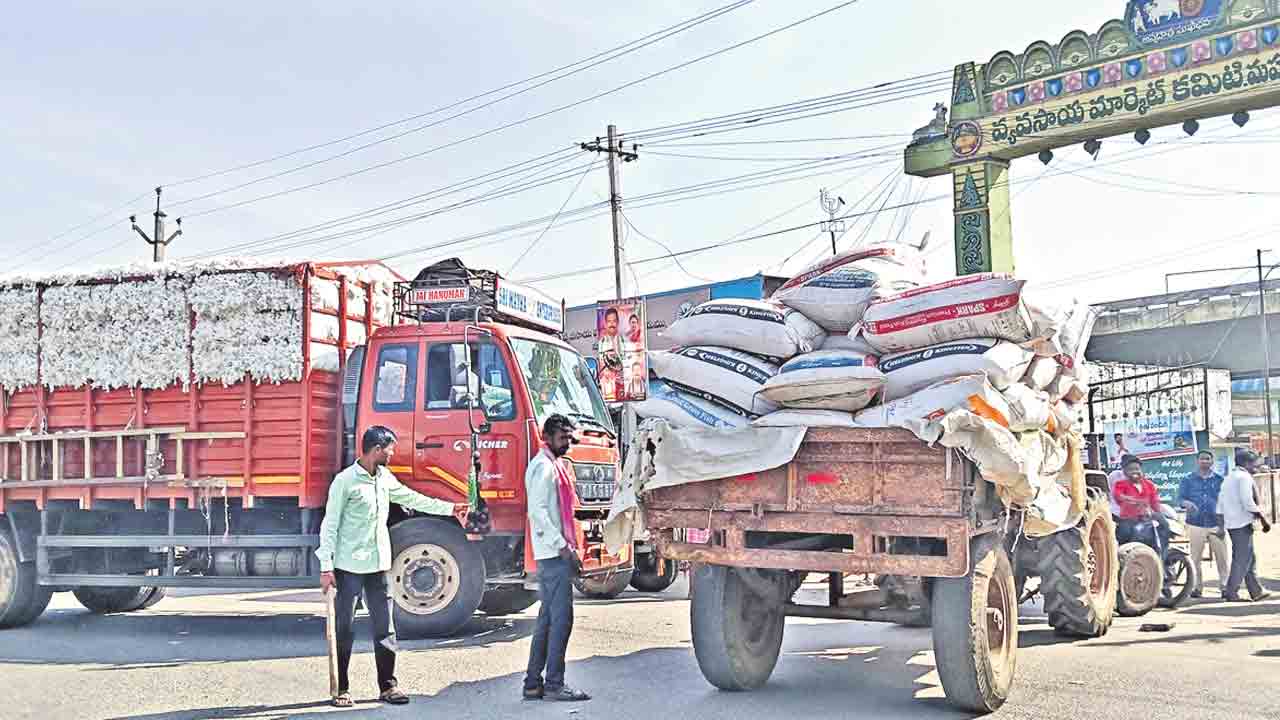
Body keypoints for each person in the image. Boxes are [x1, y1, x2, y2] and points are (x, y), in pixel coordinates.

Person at [316, 426, 461, 708]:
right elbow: (329, 526)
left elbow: (412, 498)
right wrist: (326, 567)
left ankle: (388, 687)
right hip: (348, 567)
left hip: (379, 566)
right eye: (390, 449)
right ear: (377, 449)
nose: (393, 453)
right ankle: (342, 689)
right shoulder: (344, 482)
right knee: (344, 629)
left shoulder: (385, 479)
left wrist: (450, 509)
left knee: (385, 628)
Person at [523, 415, 591, 703]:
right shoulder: (543, 467)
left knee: (547, 621)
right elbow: (537, 512)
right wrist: (564, 547)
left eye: (570, 437)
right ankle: (554, 684)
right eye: (563, 438)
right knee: (560, 621)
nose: (568, 443)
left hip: (554, 552)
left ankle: (532, 684)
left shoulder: (554, 465)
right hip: (553, 555)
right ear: (548, 437)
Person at [1219, 450, 1273, 603]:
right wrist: (1263, 519)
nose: (1258, 466)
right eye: (1255, 463)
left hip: (1233, 523)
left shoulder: (1230, 477)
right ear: (1247, 463)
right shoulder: (1243, 478)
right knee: (1242, 559)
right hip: (1241, 523)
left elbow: (1220, 503)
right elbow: (1247, 501)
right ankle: (1231, 593)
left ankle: (1256, 591)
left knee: (1250, 557)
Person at [1177, 450, 1231, 598]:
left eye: (1208, 459)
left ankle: (1225, 587)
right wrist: (1186, 503)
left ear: (1212, 462)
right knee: (1195, 558)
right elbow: (1180, 499)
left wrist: (1223, 525)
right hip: (1195, 523)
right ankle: (1197, 587)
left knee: (1222, 557)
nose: (1205, 461)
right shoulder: (1187, 480)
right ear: (1197, 461)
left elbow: (1226, 502)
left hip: (1216, 523)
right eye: (1202, 459)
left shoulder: (1220, 480)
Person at [1112, 455, 1171, 571]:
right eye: (1130, 469)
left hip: (1146, 518)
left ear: (1141, 470)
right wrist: (1135, 501)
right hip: (1128, 519)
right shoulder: (1120, 485)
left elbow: (1155, 503)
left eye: (1137, 469)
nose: (1134, 472)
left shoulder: (1149, 485)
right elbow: (1119, 497)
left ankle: (1162, 561)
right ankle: (1125, 566)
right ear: (1124, 472)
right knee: (1127, 536)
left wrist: (1157, 514)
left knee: (1164, 527)